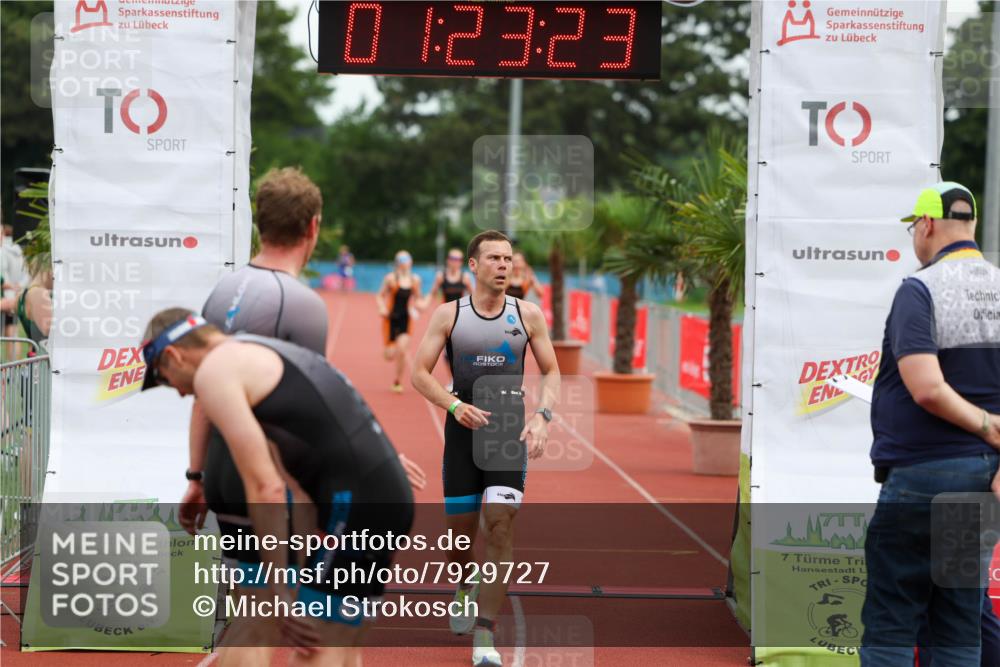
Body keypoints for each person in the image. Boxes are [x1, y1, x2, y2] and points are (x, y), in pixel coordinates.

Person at [180, 168, 426, 666]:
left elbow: (206, 395)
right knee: (298, 626)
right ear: (313, 226)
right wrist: (367, 457)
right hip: (271, 476)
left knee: (252, 617)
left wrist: (198, 476)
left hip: (224, 470)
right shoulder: (302, 304)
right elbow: (315, 407)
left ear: (260, 222)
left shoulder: (223, 290)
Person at [141, 308, 414, 667]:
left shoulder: (215, 371)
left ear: (173, 355)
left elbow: (265, 488)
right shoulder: (259, 349)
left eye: (165, 379)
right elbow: (295, 478)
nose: (179, 392)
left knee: (315, 648)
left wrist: (280, 590)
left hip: (355, 506)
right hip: (378, 496)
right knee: (341, 645)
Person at [860, 182, 1000, 667]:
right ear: (972, 224)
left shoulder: (920, 289)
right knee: (957, 626)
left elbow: (927, 388)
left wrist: (987, 425)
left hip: (923, 474)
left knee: (892, 620)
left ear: (926, 225)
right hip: (980, 480)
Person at [412, 230, 560, 667]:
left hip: (507, 430)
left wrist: (543, 416)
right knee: (458, 541)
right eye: (494, 258)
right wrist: (454, 405)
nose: (503, 265)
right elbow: (419, 373)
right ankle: (464, 583)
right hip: (462, 427)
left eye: (508, 259)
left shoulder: (528, 315)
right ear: (473, 266)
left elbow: (552, 371)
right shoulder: (449, 315)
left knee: (499, 526)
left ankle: (485, 634)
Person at [420, 248, 474, 387]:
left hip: (462, 317)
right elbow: (432, 293)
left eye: (458, 259)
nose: (455, 262)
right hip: (446, 318)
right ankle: (453, 380)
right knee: (447, 352)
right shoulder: (441, 277)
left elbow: (474, 295)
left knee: (461, 349)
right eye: (453, 258)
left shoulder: (465, 277)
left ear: (461, 262)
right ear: (448, 260)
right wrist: (424, 303)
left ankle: (461, 377)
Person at [376, 251, 422, 393]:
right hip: (390, 319)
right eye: (401, 259)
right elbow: (380, 296)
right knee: (389, 355)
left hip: (405, 320)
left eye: (406, 259)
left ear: (411, 262)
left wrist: (418, 306)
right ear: (397, 263)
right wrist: (382, 307)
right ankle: (390, 350)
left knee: (402, 350)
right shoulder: (390, 278)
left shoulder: (415, 280)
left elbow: (418, 298)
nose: (404, 262)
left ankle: (397, 381)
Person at [16, 263, 53, 353]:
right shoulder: (38, 293)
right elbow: (50, 332)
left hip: (36, 354)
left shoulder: (24, 293)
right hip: (43, 357)